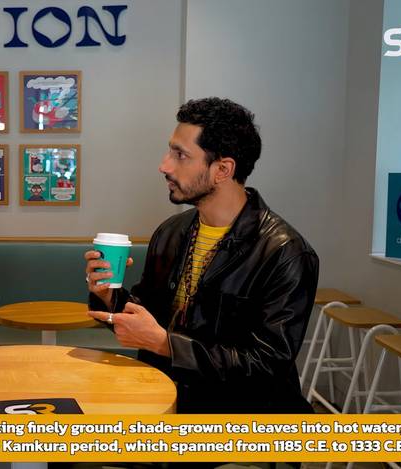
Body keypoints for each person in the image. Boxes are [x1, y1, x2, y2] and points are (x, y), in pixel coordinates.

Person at [86, 97, 318, 415]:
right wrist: (107, 294)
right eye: (170, 151)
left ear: (222, 169)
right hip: (168, 402)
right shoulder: (171, 232)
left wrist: (165, 344)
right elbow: (145, 320)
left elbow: (267, 365)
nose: (164, 166)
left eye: (180, 155)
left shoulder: (285, 252)